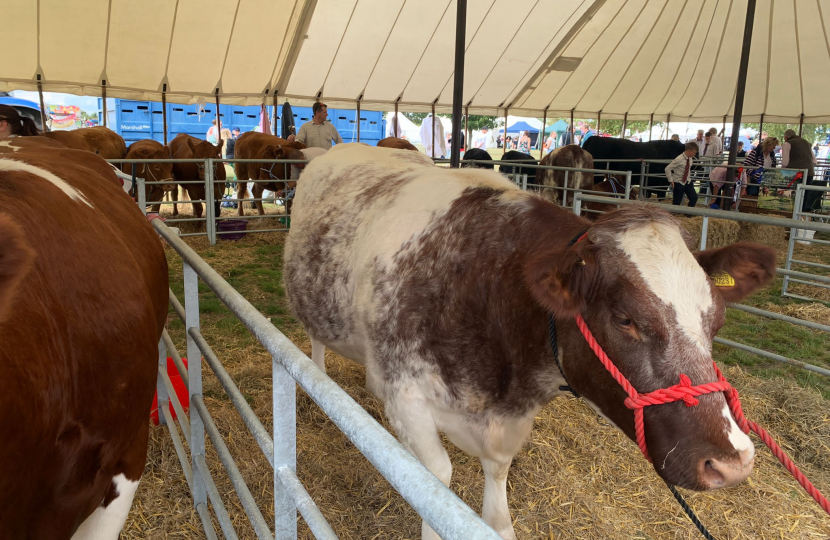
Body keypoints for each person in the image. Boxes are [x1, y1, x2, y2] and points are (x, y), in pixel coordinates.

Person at [781, 129, 821, 213]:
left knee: (793, 194)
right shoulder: (806, 143)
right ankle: (802, 214)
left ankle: (792, 214)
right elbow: (814, 161)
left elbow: (785, 162)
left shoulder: (787, 143)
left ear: (786, 137)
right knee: (805, 194)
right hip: (809, 172)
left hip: (795, 173)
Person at [665, 142, 699, 207]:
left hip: (688, 181)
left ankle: (689, 214)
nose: (694, 155)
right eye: (694, 153)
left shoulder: (690, 158)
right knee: (677, 202)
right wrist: (671, 180)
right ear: (689, 151)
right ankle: (674, 214)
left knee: (694, 198)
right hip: (678, 182)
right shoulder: (679, 159)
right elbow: (667, 168)